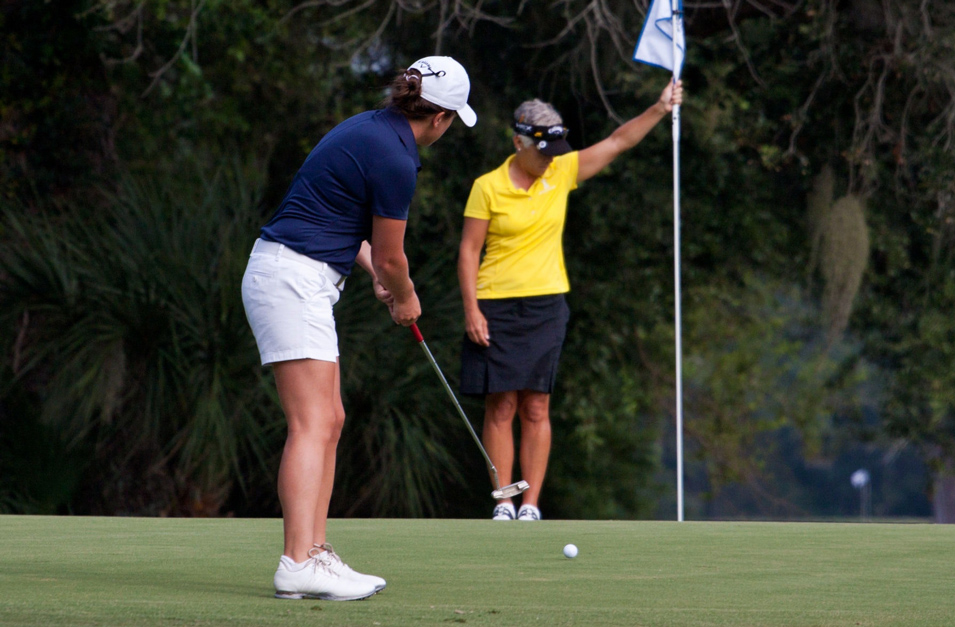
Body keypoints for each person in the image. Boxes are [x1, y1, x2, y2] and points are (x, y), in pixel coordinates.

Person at [241, 56, 476, 600]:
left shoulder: (368, 127)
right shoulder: (398, 157)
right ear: (440, 119)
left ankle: (314, 555)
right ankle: (297, 560)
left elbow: (344, 222)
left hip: (299, 275)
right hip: (291, 278)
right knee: (312, 422)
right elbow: (394, 256)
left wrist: (372, 271)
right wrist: (404, 299)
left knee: (330, 418)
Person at [458, 80, 684, 521]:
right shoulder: (487, 187)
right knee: (501, 405)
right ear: (517, 141)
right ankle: (503, 500)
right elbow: (468, 251)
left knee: (537, 405)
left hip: (546, 304)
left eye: (553, 152)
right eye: (541, 151)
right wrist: (471, 309)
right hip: (495, 304)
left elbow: (619, 141)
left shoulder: (561, 173)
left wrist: (659, 107)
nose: (548, 160)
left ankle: (530, 505)